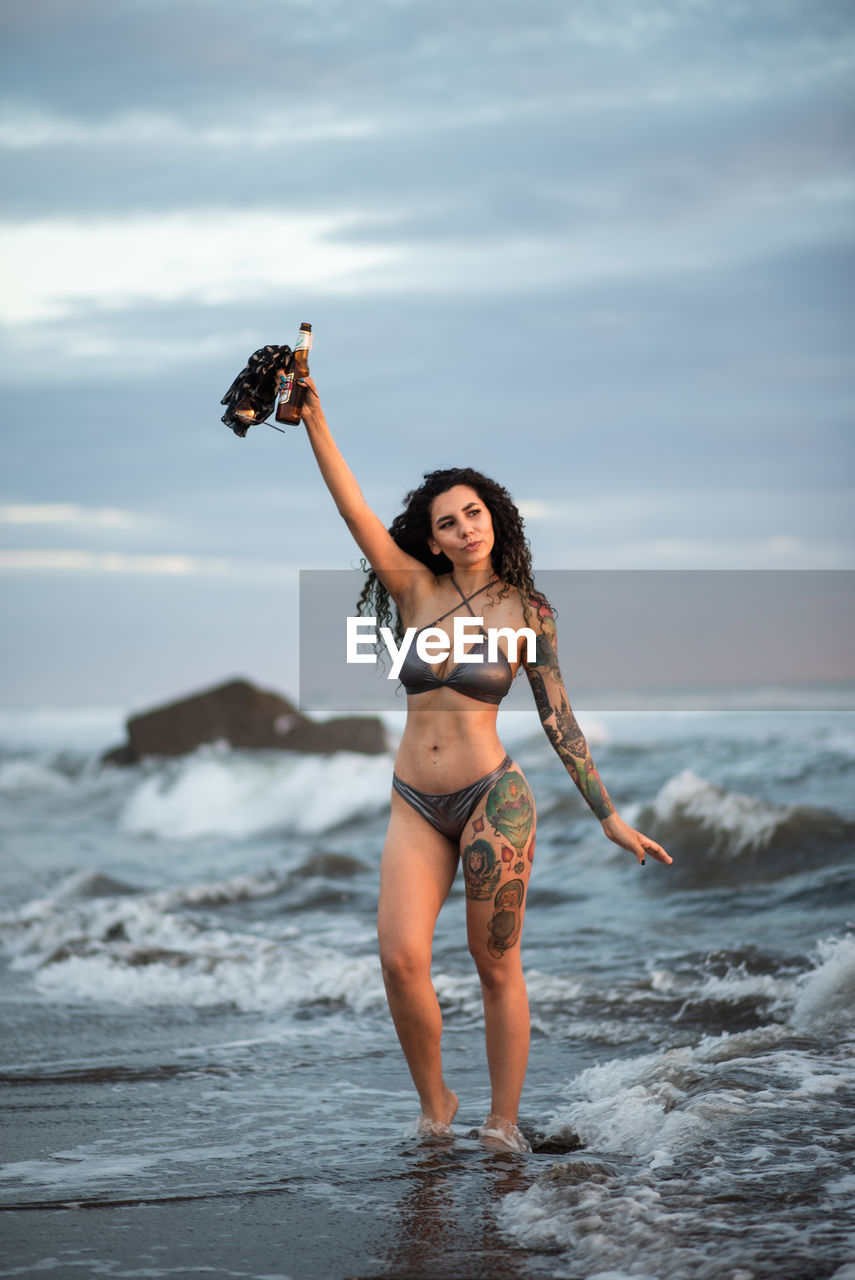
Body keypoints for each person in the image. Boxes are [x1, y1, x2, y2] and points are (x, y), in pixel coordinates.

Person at [297, 377, 672, 1152]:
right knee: (401, 960)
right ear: (429, 539)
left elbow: (555, 715)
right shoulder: (412, 588)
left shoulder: (528, 613)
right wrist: (314, 417)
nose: (465, 528)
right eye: (448, 521)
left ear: (492, 519)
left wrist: (608, 815)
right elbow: (352, 506)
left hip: (490, 799)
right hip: (413, 802)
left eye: (474, 513)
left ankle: (502, 1123)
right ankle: (437, 1103)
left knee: (492, 963)